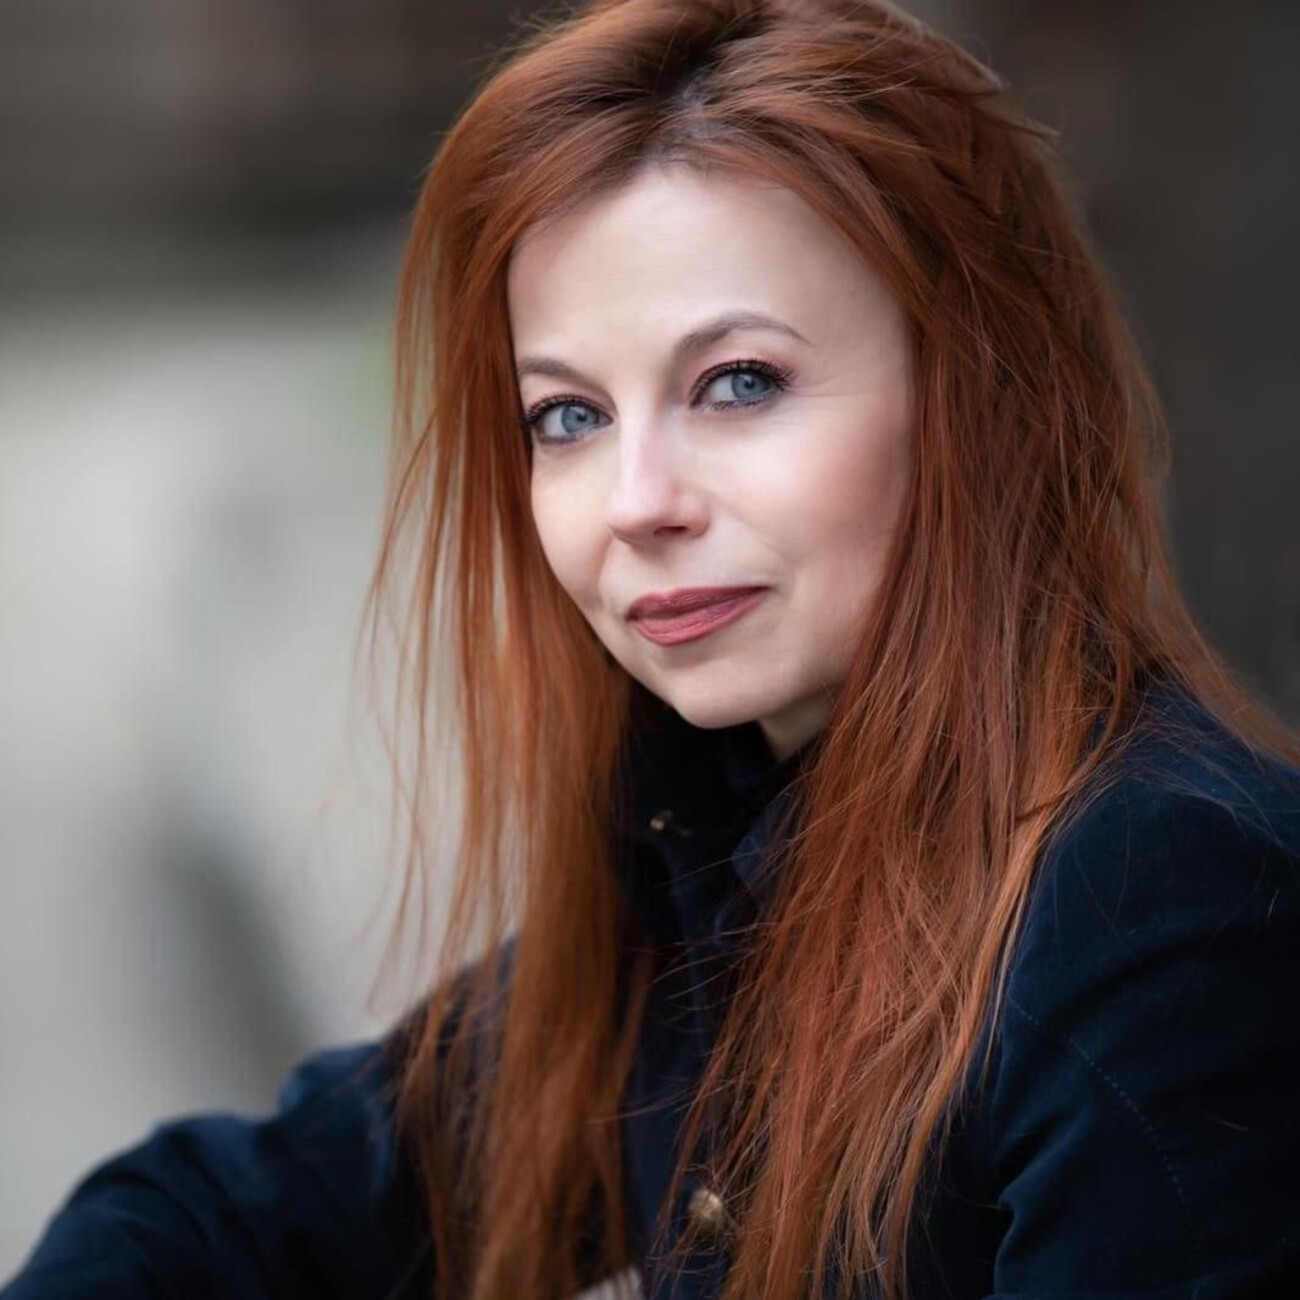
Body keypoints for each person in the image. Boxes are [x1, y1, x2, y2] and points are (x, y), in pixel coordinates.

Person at [6, 0, 1300, 1297]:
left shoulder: (1159, 904)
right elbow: (247, 1204)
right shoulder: (721, 850)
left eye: (738, 383)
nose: (636, 502)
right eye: (568, 416)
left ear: (981, 391)